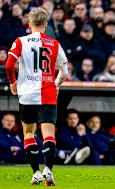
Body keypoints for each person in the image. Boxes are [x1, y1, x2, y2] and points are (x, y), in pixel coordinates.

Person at [5, 7, 68, 186]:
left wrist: (13, 82)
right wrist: (56, 85)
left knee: (28, 133)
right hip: (47, 93)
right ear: (46, 25)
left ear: (29, 23)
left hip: (26, 94)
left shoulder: (20, 42)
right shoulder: (54, 43)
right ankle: (48, 170)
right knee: (48, 134)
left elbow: (9, 66)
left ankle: (35, 173)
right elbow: (64, 72)